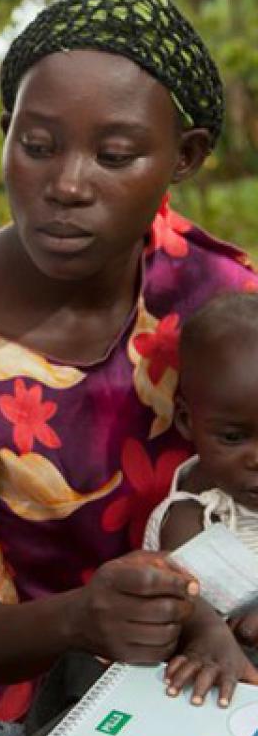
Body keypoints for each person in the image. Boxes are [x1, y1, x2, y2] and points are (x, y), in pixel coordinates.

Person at [0, 0, 258, 728]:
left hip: (221, 665)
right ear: (6, 132)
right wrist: (81, 621)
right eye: (38, 146)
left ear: (186, 156)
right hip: (29, 695)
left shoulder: (214, 295)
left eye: (115, 155)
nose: (67, 185)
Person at [142, 292, 258, 704]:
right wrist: (208, 631)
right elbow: (189, 599)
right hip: (223, 682)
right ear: (189, 422)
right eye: (233, 437)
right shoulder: (192, 515)